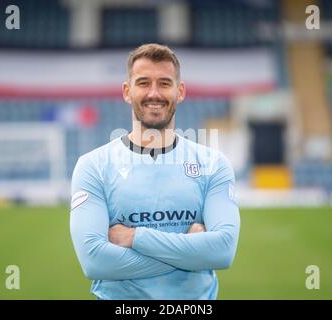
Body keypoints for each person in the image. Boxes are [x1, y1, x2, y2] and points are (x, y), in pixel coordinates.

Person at [70, 43, 240, 300]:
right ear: (127, 92)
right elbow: (95, 262)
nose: (153, 93)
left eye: (164, 83)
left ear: (180, 91)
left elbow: (222, 252)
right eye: (143, 83)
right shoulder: (93, 166)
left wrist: (135, 237)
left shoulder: (213, 164)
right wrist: (189, 251)